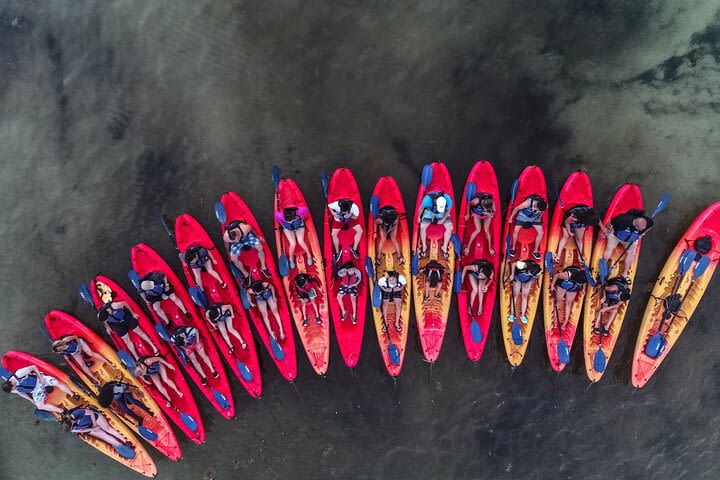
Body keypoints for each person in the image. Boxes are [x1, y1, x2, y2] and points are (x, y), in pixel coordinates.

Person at [2, 365, 78, 414]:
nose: (14, 390)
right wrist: (31, 400)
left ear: (11, 383)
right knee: (40, 406)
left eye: (13, 388)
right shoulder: (12, 389)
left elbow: (33, 367)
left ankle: (72, 394)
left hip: (39, 379)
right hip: (35, 390)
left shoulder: (19, 374)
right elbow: (21, 393)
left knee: (56, 382)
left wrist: (41, 377)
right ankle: (62, 411)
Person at [601, 209, 654, 276]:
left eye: (642, 229)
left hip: (631, 240)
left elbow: (651, 226)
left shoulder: (648, 222)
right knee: (609, 248)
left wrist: (642, 234)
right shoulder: (623, 219)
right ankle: (603, 265)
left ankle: (625, 273)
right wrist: (606, 231)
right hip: (616, 236)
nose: (641, 230)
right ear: (636, 225)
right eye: (640, 229)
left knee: (632, 253)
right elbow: (610, 222)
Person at [60, 407, 132, 450]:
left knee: (108, 429)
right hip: (89, 427)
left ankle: (125, 441)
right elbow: (82, 430)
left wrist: (94, 425)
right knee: (104, 436)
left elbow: (91, 412)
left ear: (70, 421)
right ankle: (121, 446)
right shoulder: (71, 428)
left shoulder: (77, 413)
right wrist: (93, 429)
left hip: (94, 417)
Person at [508, 195, 547, 260]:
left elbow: (543, 211)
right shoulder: (527, 203)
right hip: (523, 216)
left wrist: (539, 217)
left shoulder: (545, 205)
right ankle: (513, 248)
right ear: (536, 204)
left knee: (541, 233)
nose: (538, 210)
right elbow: (516, 208)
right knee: (515, 230)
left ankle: (535, 251)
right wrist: (511, 218)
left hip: (534, 218)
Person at [550, 265, 588, 330]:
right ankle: (555, 319)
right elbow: (557, 275)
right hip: (563, 285)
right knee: (557, 301)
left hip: (573, 288)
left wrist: (584, 289)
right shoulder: (568, 275)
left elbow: (584, 281)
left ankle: (565, 322)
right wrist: (552, 285)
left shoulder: (583, 276)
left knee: (569, 303)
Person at [418, 191, 453, 257]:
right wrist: (419, 218)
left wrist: (443, 219)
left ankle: (444, 247)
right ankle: (424, 246)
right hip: (430, 212)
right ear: (436, 201)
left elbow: (449, 209)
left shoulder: (448, 198)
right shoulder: (427, 199)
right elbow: (421, 208)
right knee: (422, 227)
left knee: (450, 227)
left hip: (442, 213)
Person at [508, 260, 542, 324]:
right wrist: (512, 275)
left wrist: (529, 282)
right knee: (515, 295)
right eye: (530, 273)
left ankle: (522, 315)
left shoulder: (538, 271)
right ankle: (512, 314)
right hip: (518, 277)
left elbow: (536, 276)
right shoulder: (523, 265)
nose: (530, 274)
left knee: (525, 296)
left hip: (527, 280)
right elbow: (513, 264)